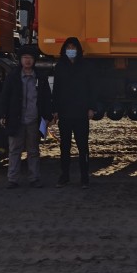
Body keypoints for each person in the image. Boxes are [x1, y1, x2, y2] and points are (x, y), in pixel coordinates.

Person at [0, 45, 53, 189]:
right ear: (20, 59)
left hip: (33, 120)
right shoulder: (13, 77)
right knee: (14, 150)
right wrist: (3, 114)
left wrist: (47, 116)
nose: (27, 60)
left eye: (30, 58)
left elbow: (46, 98)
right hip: (16, 119)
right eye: (24, 57)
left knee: (33, 150)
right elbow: (5, 97)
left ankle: (34, 178)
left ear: (34, 60)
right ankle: (12, 179)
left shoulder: (40, 78)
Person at [53, 37, 96, 188]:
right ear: (64, 50)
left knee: (83, 147)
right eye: (68, 47)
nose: (71, 50)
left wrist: (91, 108)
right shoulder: (60, 67)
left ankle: (84, 178)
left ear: (78, 50)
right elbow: (56, 90)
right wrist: (55, 110)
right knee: (64, 147)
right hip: (65, 113)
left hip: (81, 113)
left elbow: (92, 89)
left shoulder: (86, 67)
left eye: (73, 47)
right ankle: (64, 176)